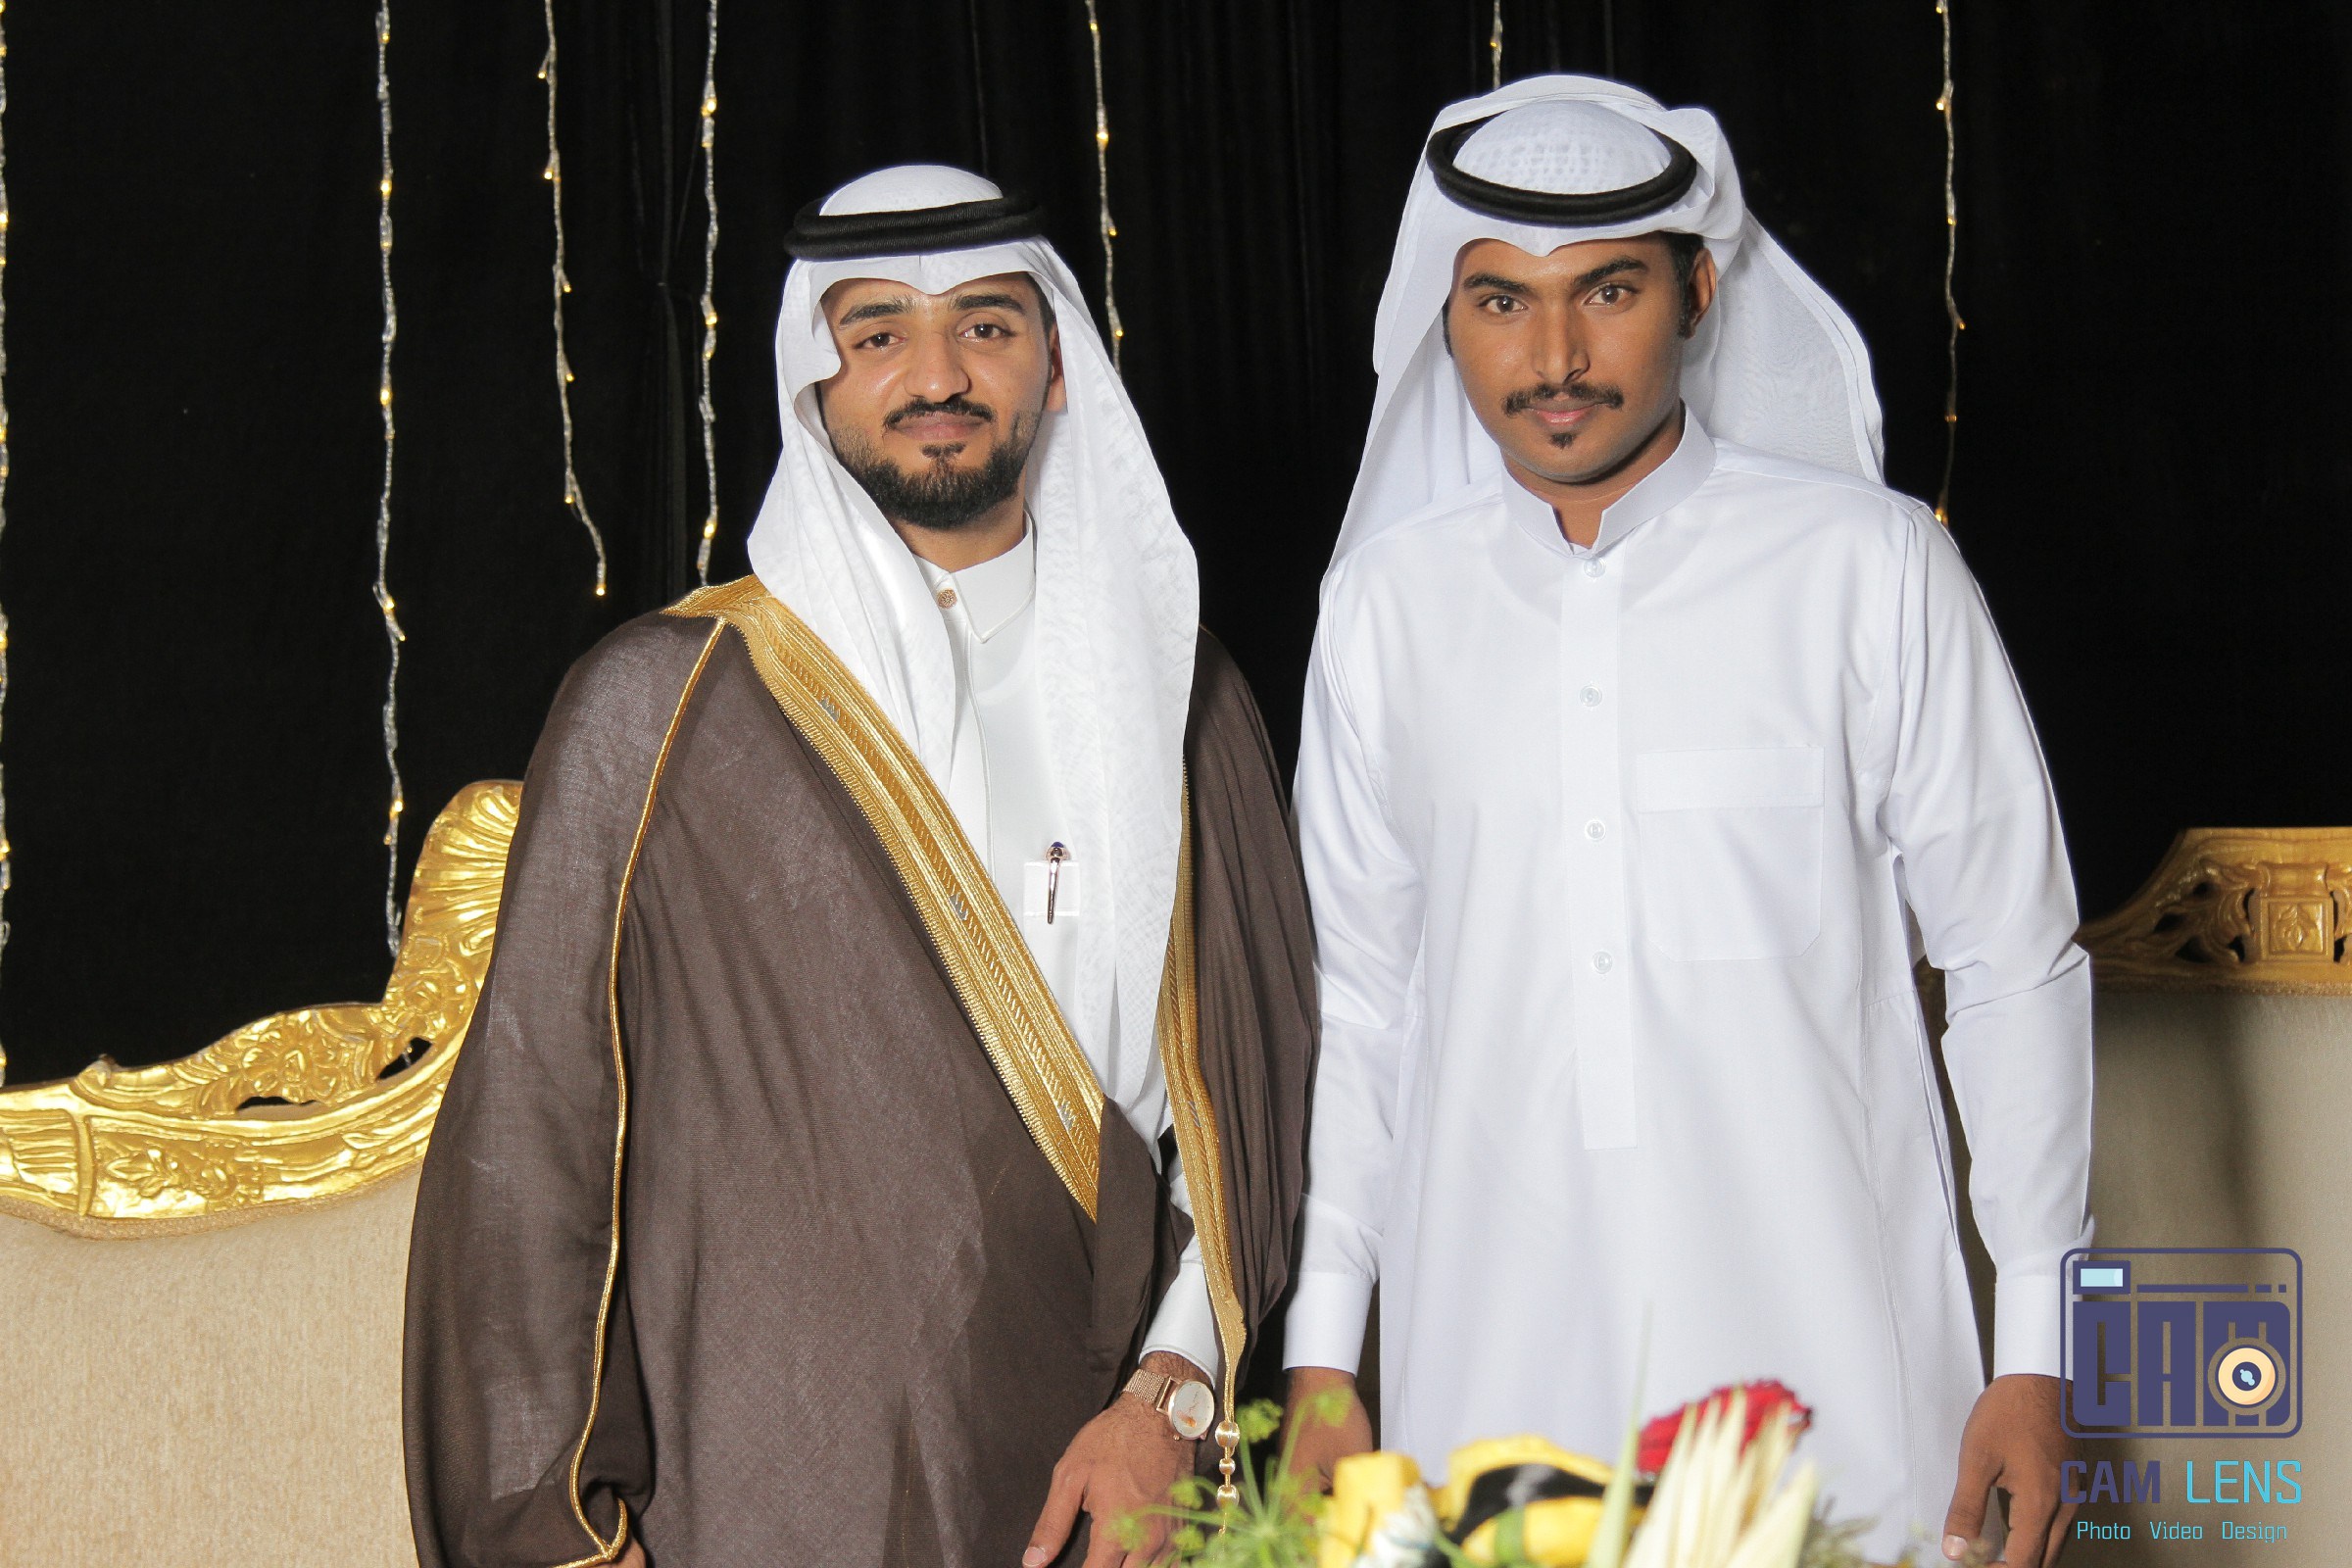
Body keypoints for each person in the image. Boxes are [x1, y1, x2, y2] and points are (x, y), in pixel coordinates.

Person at [404, 164, 1315, 1568]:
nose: (936, 374)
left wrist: (1172, 1395)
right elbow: (532, 1145)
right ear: (811, 381)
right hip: (770, 1492)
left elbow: (1254, 1103)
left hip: (1115, 1491)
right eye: (878, 332)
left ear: (1057, 365)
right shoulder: (662, 705)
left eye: (987, 327)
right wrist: (559, 1533)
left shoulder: (1185, 699)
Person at [1280, 77, 2090, 1568]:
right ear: (1446, 320)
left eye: (1607, 292)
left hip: (1836, 1387)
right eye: (1501, 302)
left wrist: (2036, 1348)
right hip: (1492, 1383)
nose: (1555, 358)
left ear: (1698, 292)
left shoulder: (1871, 571)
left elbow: (2011, 963)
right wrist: (1324, 1357)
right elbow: (1365, 1003)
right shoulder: (1383, 612)